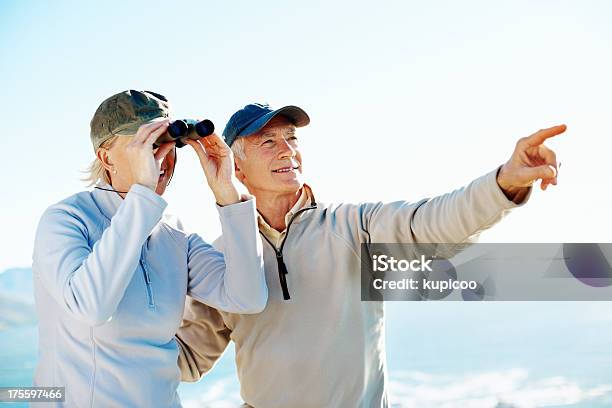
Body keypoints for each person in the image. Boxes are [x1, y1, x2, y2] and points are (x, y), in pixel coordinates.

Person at [176, 102, 565, 407]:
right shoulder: (224, 257)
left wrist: (504, 182)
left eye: (292, 139)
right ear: (237, 168)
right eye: (268, 142)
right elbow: (187, 359)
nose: (288, 151)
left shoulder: (353, 226)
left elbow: (435, 222)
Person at [31, 90, 268, 407]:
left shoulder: (172, 233)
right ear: (106, 158)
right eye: (146, 145)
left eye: (168, 144)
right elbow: (91, 307)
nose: (160, 158)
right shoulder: (65, 220)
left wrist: (227, 193)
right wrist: (142, 195)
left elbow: (247, 297)